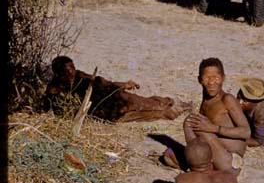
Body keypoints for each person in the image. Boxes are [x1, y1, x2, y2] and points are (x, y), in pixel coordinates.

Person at [163, 57, 250, 174]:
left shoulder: (227, 99)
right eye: (207, 78)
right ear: (200, 80)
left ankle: (198, 167)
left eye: (216, 78)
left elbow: (246, 132)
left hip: (230, 161)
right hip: (214, 155)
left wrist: (214, 128)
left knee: (191, 122)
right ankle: (200, 164)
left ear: (223, 78)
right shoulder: (206, 100)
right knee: (169, 155)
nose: (211, 82)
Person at [44, 56, 192, 122]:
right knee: (147, 115)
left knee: (145, 103)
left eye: (73, 67)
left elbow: (102, 82)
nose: (72, 72)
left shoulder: (79, 76)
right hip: (105, 112)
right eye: (67, 70)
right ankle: (172, 112)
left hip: (113, 98)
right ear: (58, 73)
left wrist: (124, 84)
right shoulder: (55, 90)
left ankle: (174, 103)